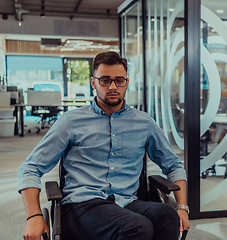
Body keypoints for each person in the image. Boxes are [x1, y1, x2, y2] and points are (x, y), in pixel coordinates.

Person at [17, 51, 190, 240]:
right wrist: (33, 216)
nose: (113, 86)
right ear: (93, 83)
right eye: (105, 80)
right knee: (138, 227)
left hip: (127, 202)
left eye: (119, 80)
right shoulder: (71, 121)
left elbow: (173, 165)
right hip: (82, 206)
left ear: (127, 82)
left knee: (167, 215)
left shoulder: (144, 123)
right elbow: (31, 167)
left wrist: (181, 207)